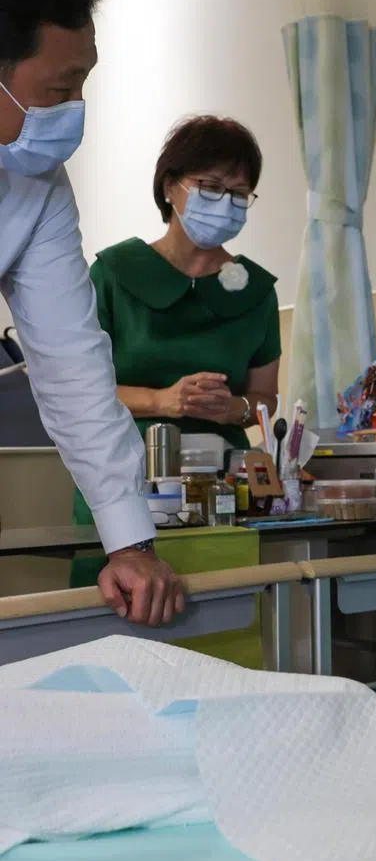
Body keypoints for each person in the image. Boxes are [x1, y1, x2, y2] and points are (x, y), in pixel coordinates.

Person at [0, 0, 182, 622]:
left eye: (84, 80)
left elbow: (71, 360)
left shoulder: (36, 181)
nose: (77, 106)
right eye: (62, 86)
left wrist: (128, 539)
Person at [70, 116, 281, 588]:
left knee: (221, 618)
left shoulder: (255, 291)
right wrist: (163, 401)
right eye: (210, 186)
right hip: (122, 479)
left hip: (219, 491)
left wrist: (235, 408)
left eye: (239, 193)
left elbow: (266, 399)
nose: (225, 203)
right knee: (117, 619)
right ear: (170, 186)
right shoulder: (115, 273)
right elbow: (79, 388)